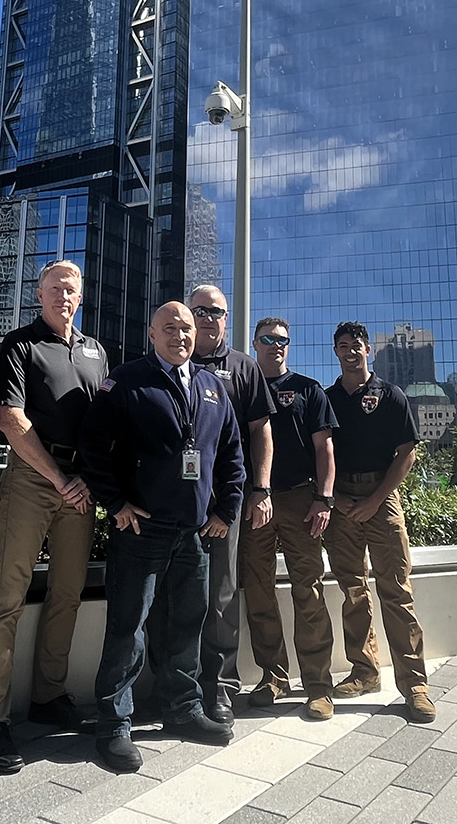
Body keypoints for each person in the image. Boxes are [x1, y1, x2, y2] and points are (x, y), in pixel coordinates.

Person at [79, 301, 246, 773]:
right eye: (169, 327)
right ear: (151, 335)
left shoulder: (214, 387)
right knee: (128, 628)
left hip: (193, 531)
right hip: (142, 530)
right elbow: (93, 446)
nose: (180, 335)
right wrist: (116, 503)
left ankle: (183, 709)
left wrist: (225, 511)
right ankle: (113, 725)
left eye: (187, 328)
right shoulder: (129, 380)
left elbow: (232, 454)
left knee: (186, 626)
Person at [0, 260, 111, 775]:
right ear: (40, 294)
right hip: (35, 478)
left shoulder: (97, 351)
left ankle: (48, 695)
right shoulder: (20, 344)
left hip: (82, 484)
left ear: (81, 296)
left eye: (71, 290)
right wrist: (58, 478)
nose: (63, 296)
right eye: (55, 289)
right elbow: (10, 419)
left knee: (68, 593)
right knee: (8, 594)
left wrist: (91, 479)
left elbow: (106, 421)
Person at [144, 284, 272, 722]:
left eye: (216, 311)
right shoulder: (170, 361)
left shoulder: (244, 367)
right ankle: (169, 683)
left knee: (220, 594)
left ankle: (219, 685)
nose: (207, 319)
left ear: (226, 317)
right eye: (199, 310)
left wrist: (260, 490)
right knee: (165, 594)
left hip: (224, 502)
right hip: (171, 503)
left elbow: (259, 435)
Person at [321, 321, 436, 724]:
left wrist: (374, 500)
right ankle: (365, 672)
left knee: (396, 590)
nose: (350, 351)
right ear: (334, 351)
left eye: (356, 345)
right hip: (341, 504)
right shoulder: (327, 397)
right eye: (342, 346)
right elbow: (320, 450)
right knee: (352, 590)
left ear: (368, 350)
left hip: (382, 500)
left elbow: (407, 453)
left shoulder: (390, 395)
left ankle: (415, 685)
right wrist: (336, 498)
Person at [240, 317, 340, 720]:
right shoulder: (241, 386)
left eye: (282, 340)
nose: (276, 345)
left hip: (301, 499)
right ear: (254, 343)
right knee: (258, 589)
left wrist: (324, 498)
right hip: (254, 502)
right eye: (268, 339)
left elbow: (325, 449)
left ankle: (318, 685)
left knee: (309, 589)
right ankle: (274, 676)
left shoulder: (308, 390)